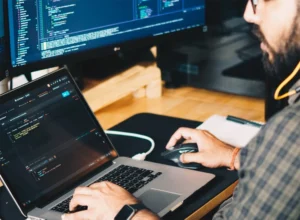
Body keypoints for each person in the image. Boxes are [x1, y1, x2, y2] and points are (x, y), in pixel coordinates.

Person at [62, 0, 300, 219]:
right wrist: (236, 157)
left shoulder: (291, 131)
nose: (249, 14)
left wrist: (127, 212)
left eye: (262, 0)